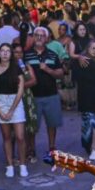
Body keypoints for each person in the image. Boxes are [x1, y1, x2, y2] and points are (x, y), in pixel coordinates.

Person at [24, 27, 65, 158]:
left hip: (51, 95)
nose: (39, 38)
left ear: (47, 38)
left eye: (42, 35)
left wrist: (48, 69)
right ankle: (31, 149)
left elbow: (61, 74)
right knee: (31, 126)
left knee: (52, 124)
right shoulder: (26, 55)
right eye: (37, 35)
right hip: (32, 96)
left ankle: (52, 148)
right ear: (33, 37)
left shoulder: (53, 55)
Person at [0, 43, 28, 178]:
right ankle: (9, 165)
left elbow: (20, 90)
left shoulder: (17, 68)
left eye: (8, 51)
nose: (5, 53)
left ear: (11, 54)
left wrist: (11, 110)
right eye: (2, 51)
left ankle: (22, 164)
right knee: (6, 137)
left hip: (15, 102)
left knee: (20, 137)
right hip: (1, 102)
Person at [72, 39, 95, 160]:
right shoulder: (80, 62)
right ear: (88, 48)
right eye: (93, 48)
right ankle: (91, 148)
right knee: (89, 123)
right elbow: (74, 77)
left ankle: (94, 148)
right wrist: (79, 58)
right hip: (84, 96)